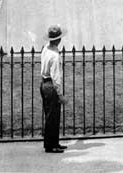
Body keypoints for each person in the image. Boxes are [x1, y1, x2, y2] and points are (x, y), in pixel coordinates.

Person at [40, 25, 67, 153]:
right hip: (51, 86)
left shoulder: (46, 48)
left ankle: (54, 142)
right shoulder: (55, 56)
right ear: (59, 40)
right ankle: (50, 146)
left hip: (44, 84)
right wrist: (60, 95)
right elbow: (56, 78)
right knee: (53, 117)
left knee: (51, 116)